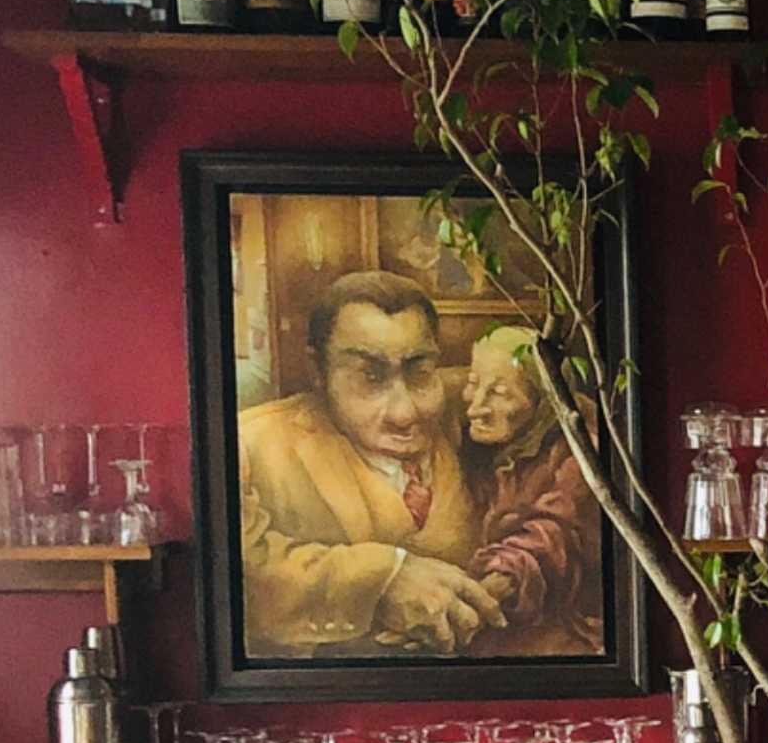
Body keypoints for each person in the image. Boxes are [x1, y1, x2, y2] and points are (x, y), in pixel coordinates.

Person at [238, 269, 500, 655]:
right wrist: (383, 581)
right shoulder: (250, 445)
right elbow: (242, 574)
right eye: (370, 377)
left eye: (420, 372)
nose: (404, 412)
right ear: (318, 372)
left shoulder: (470, 410)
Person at [462, 325, 604, 658]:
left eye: (499, 392)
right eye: (472, 384)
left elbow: (552, 536)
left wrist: (486, 593)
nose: (475, 407)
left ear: (544, 402)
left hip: (561, 630)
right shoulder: (479, 446)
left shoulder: (582, 453)